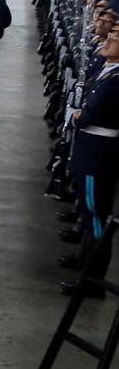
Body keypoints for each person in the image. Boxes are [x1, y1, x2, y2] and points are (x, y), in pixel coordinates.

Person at [64, 23, 119, 298]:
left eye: (115, 38)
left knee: (97, 215)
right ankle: (85, 261)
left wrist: (78, 116)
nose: (109, 40)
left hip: (99, 153)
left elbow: (89, 114)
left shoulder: (117, 80)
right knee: (88, 211)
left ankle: (93, 279)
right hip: (92, 149)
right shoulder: (108, 70)